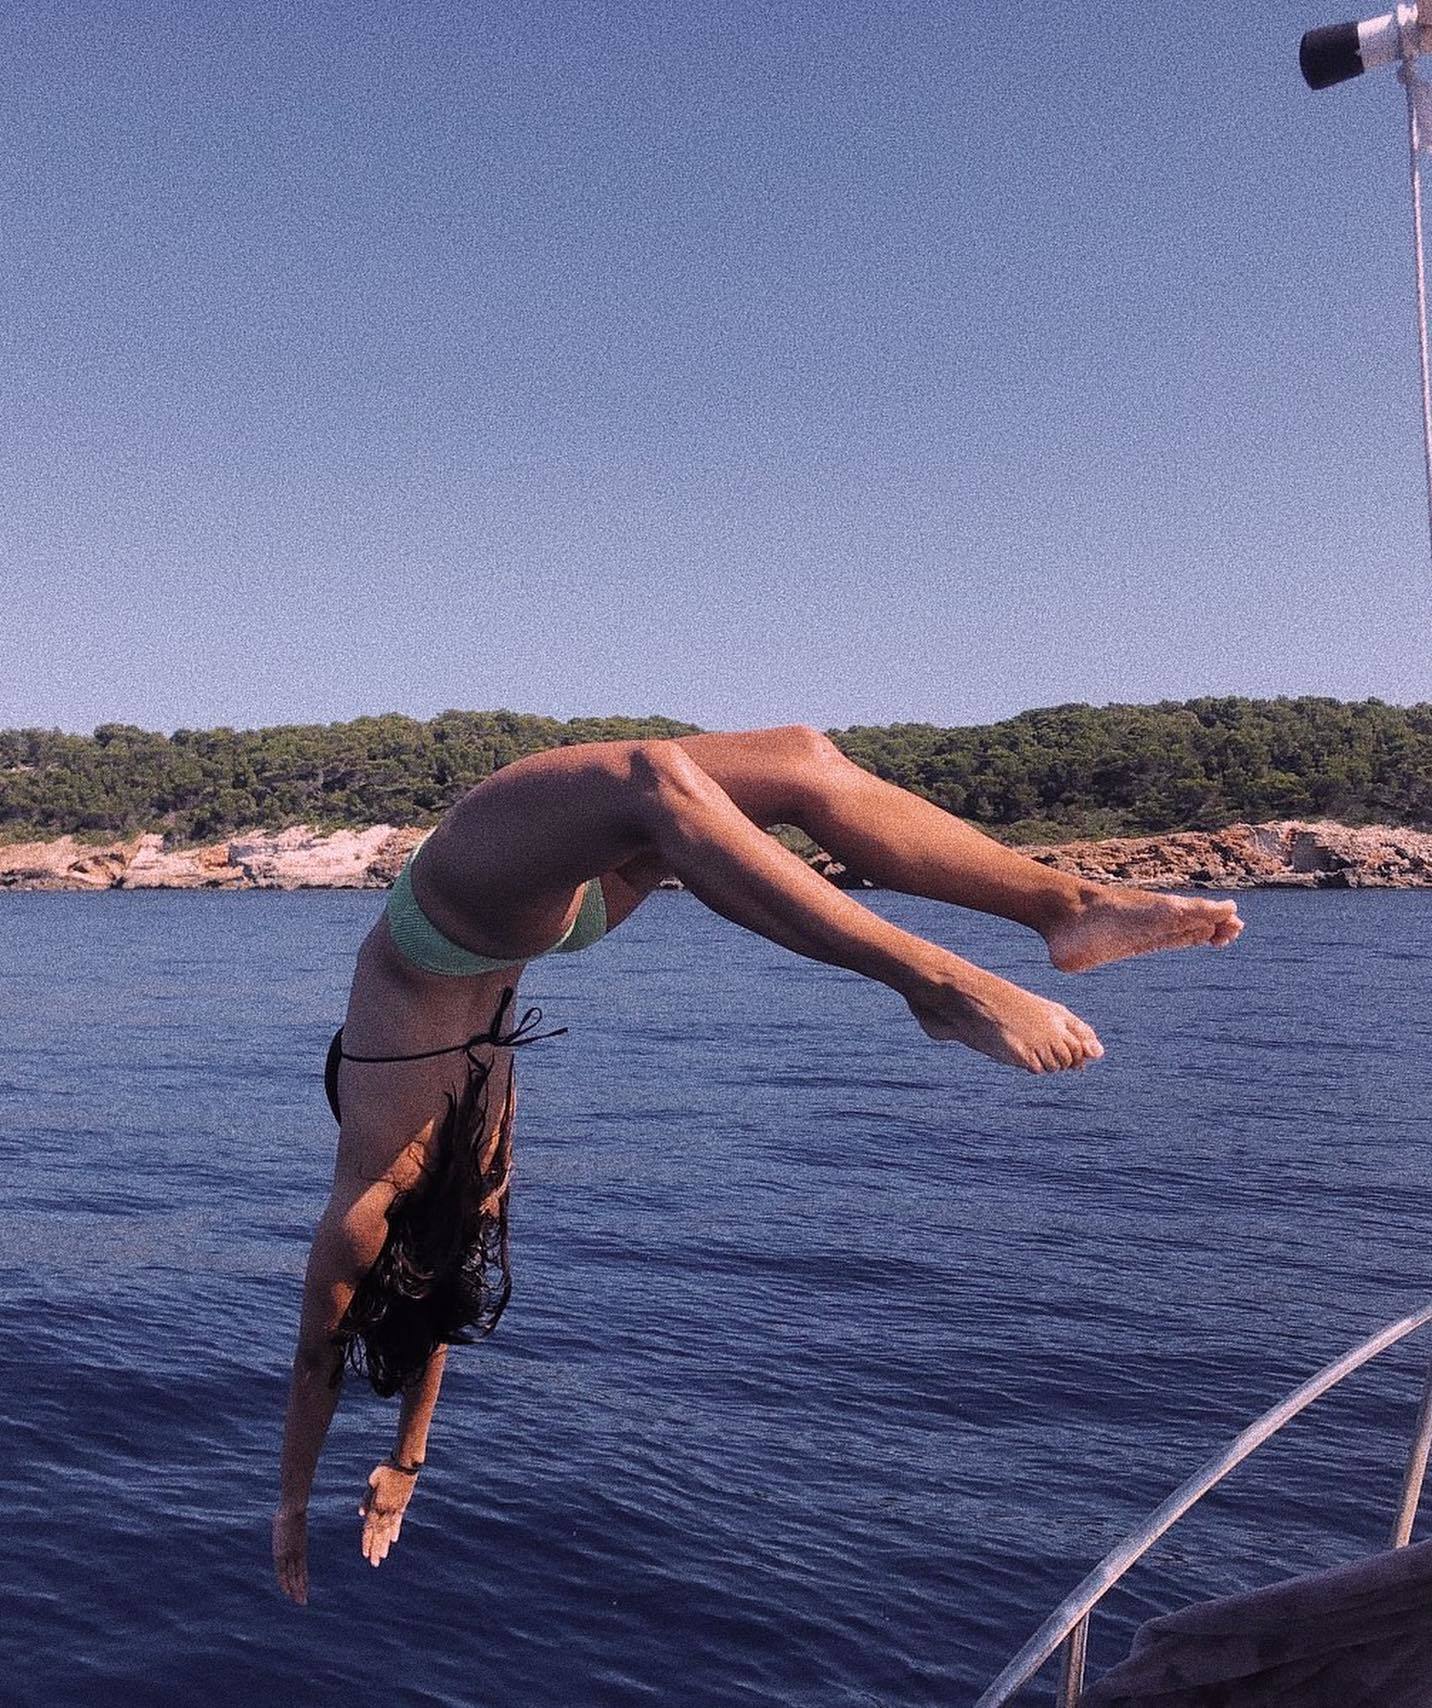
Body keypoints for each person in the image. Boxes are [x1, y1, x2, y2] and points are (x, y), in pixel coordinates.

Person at [272, 725, 1242, 1603]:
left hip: (548, 918)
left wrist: (405, 1465)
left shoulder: (467, 1186)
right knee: (650, 775)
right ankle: (938, 980)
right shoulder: (374, 1197)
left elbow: (432, 1314)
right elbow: (321, 1359)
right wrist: (298, 1502)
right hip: (456, 916)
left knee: (798, 760)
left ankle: (1069, 907)